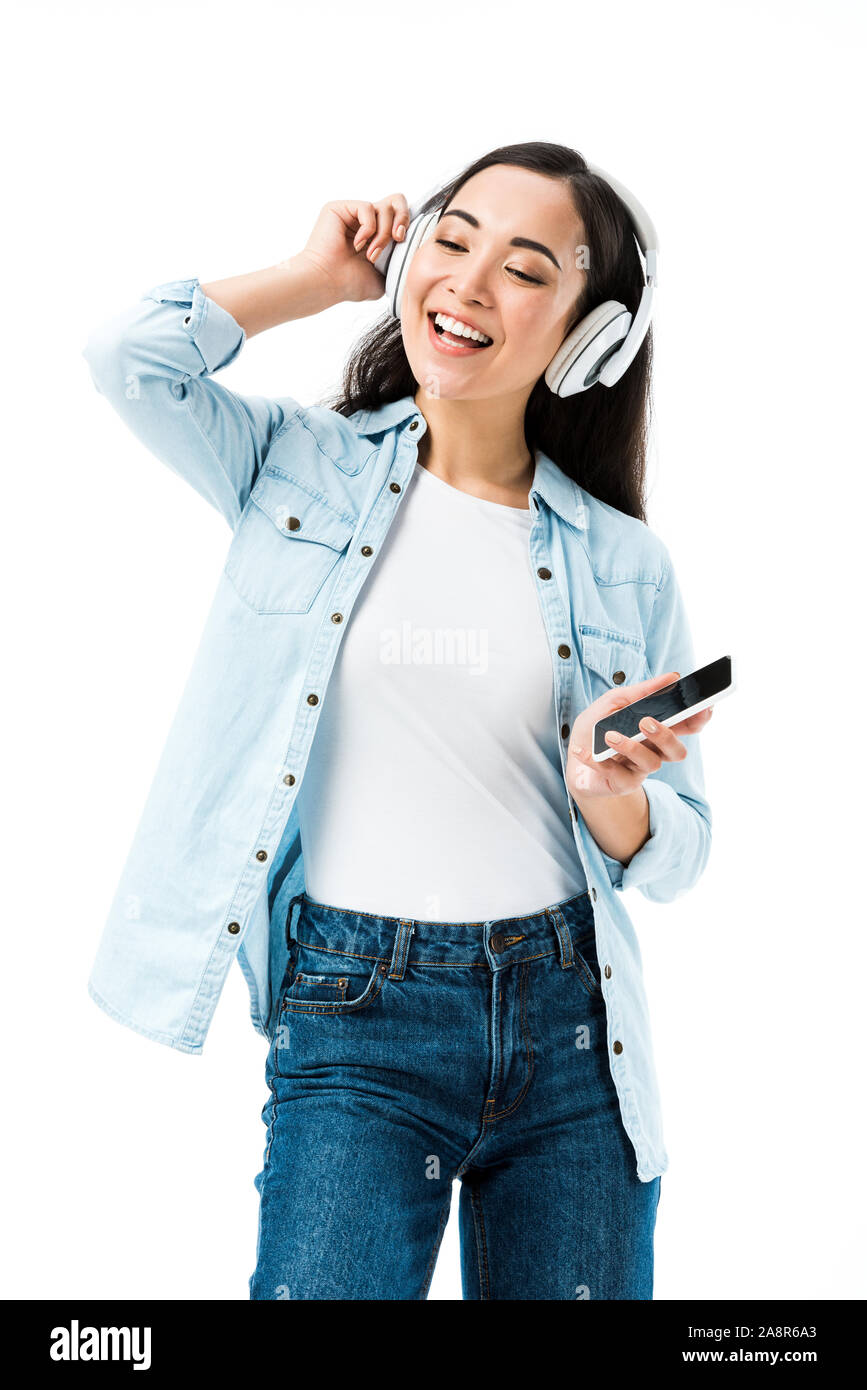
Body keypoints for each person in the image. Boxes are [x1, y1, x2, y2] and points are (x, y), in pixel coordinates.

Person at [82, 140, 714, 1300]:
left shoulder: (626, 565)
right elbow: (130, 359)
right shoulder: (294, 467)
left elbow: (680, 850)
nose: (469, 283)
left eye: (526, 269)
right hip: (355, 1015)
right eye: (454, 238)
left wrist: (611, 793)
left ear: (590, 338)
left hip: (572, 1027)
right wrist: (312, 277)